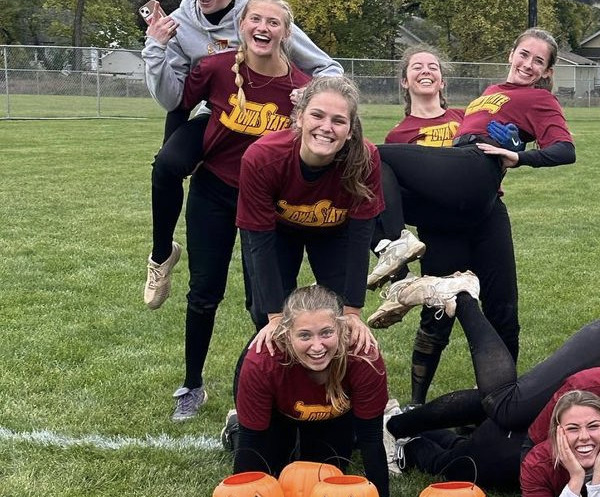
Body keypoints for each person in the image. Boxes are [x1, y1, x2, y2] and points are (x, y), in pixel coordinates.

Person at [142, 0, 341, 310]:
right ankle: (160, 255)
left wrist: (309, 94)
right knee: (167, 165)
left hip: (264, 118)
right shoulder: (179, 22)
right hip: (211, 111)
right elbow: (174, 99)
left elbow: (330, 68)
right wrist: (154, 48)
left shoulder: (258, 17)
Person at [366, 28, 575, 345]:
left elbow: (564, 149)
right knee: (362, 182)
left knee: (370, 154)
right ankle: (401, 279)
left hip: (475, 168)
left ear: (547, 71)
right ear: (511, 54)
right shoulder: (491, 91)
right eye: (524, 54)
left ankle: (394, 247)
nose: (528, 64)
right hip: (460, 180)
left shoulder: (540, 98)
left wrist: (519, 156)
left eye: (538, 61)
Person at [164, 0, 311, 421]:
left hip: (266, 202)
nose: (263, 28)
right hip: (214, 191)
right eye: (256, 20)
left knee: (264, 301)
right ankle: (192, 386)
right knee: (203, 293)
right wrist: (174, 158)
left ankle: (271, 380)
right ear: (241, 25)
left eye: (274, 22)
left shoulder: (301, 88)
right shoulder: (214, 68)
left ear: (286, 32)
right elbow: (180, 109)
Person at [376, 44, 524, 406]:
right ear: (404, 81)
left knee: (502, 308)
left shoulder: (467, 116)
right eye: (416, 67)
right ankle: (417, 401)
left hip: (488, 219)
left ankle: (505, 399)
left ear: (442, 80)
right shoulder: (400, 138)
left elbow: (500, 153)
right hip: (440, 229)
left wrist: (511, 144)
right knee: (439, 313)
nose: (426, 71)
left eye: (433, 67)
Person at [383, 304, 600, 488]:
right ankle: (402, 438)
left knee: (496, 417)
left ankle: (398, 426)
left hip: (540, 434)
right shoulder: (592, 385)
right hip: (524, 442)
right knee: (495, 420)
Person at [236, 75, 383, 359]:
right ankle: (271, 388)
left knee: (340, 319)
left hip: (334, 232)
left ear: (350, 130)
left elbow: (359, 237)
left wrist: (353, 311)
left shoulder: (365, 158)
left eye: (338, 121)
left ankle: (335, 393)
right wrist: (276, 316)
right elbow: (259, 241)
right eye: (317, 115)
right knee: (265, 315)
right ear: (300, 117)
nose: (326, 128)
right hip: (277, 232)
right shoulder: (262, 158)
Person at [233, 285, 412, 497]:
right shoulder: (262, 361)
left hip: (332, 413)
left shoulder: (362, 355)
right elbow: (252, 440)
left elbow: (371, 436)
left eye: (326, 333)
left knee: (325, 480)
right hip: (277, 412)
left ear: (341, 328)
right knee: (273, 476)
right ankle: (233, 427)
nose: (317, 347)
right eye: (305, 335)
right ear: (287, 334)